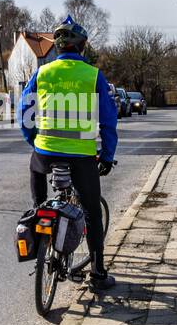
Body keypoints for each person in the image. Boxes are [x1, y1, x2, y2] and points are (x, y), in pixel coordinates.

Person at [19, 16, 119, 290]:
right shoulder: (93, 75)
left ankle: (41, 243)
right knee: (91, 213)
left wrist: (35, 142)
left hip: (45, 153)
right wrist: (107, 156)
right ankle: (98, 273)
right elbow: (109, 121)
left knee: (39, 206)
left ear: (58, 47)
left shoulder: (42, 73)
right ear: (82, 47)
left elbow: (25, 112)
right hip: (81, 157)